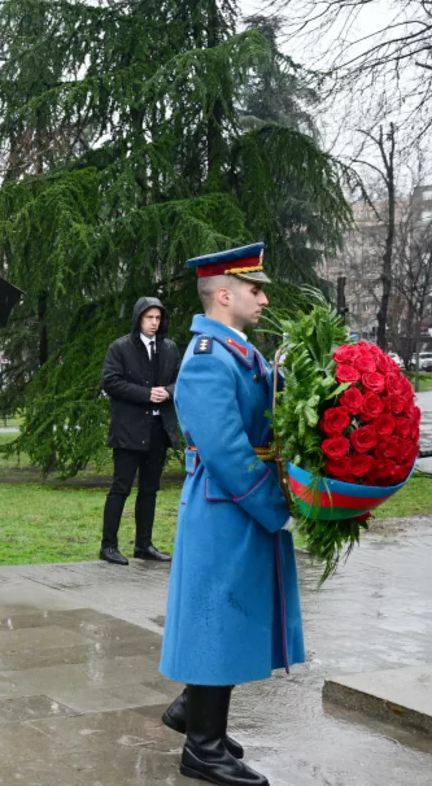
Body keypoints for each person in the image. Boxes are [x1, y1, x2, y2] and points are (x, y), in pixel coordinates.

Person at [159, 243, 304, 786]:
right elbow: (227, 452)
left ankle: (193, 715)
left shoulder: (240, 352)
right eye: (254, 289)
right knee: (216, 621)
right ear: (224, 294)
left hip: (237, 510)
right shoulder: (206, 359)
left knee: (229, 619)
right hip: (226, 509)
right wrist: (276, 508)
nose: (263, 298)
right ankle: (203, 749)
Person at [99, 297, 180, 566]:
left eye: (158, 318)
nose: (154, 323)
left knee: (149, 489)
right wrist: (146, 394)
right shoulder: (120, 348)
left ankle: (143, 545)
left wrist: (166, 392)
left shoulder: (169, 348)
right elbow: (110, 381)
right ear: (138, 319)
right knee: (120, 488)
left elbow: (181, 382)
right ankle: (108, 546)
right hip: (128, 430)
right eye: (149, 318)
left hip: (158, 430)